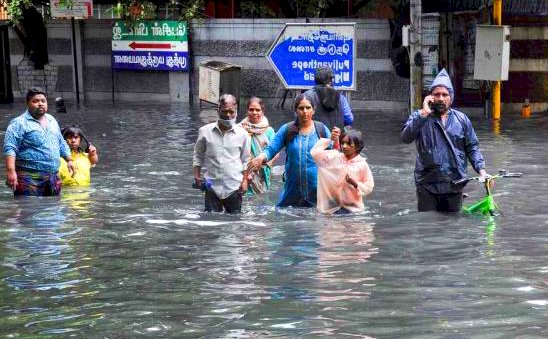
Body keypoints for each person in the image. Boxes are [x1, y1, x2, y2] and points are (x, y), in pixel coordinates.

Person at [401, 69, 489, 212]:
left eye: (444, 94)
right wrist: (423, 114)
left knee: (453, 226)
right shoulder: (420, 116)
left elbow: (472, 147)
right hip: (427, 184)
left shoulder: (462, 120)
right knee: (428, 225)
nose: (441, 98)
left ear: (451, 98)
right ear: (430, 97)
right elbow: (405, 137)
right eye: (437, 94)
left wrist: (482, 171)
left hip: (454, 183)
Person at [248, 94, 336, 208]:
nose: (305, 111)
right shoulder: (287, 129)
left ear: (313, 110)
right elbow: (272, 148)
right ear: (295, 110)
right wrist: (261, 157)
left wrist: (335, 140)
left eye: (308, 108)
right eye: (301, 108)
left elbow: (334, 155)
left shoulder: (322, 130)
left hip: (318, 191)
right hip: (292, 190)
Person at [3, 87, 75, 196]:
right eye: (35, 101)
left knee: (54, 209)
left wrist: (69, 160)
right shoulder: (18, 123)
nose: (40, 104)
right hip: (28, 177)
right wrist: (11, 171)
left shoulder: (52, 120)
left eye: (43, 101)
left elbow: (60, 141)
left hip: (52, 177)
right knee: (29, 210)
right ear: (28, 103)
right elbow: (10, 148)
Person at [193, 94, 250, 213]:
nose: (228, 115)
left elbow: (245, 160)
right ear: (218, 110)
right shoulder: (204, 131)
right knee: (211, 222)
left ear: (236, 111)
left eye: (231, 111)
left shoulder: (243, 134)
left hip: (234, 187)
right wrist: (197, 175)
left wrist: (245, 181)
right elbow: (198, 155)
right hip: (212, 186)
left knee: (235, 222)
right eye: (224, 111)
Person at [311, 130, 374, 214]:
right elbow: (315, 153)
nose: (344, 146)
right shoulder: (335, 157)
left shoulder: (362, 165)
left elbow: (369, 186)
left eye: (348, 144)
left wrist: (355, 184)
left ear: (357, 146)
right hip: (331, 208)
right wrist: (330, 139)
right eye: (342, 143)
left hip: (353, 209)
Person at [238, 97, 276, 195]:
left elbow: (276, 151)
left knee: (261, 200)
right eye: (251, 110)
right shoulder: (239, 129)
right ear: (247, 111)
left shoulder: (269, 131)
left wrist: (266, 165)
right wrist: (245, 172)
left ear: (262, 111)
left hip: (262, 173)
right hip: (242, 172)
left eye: (257, 110)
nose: (254, 112)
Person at [303, 66, 354, 130]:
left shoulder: (306, 96)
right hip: (335, 136)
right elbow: (349, 119)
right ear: (330, 80)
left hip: (314, 136)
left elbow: (299, 117)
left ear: (315, 80)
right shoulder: (341, 97)